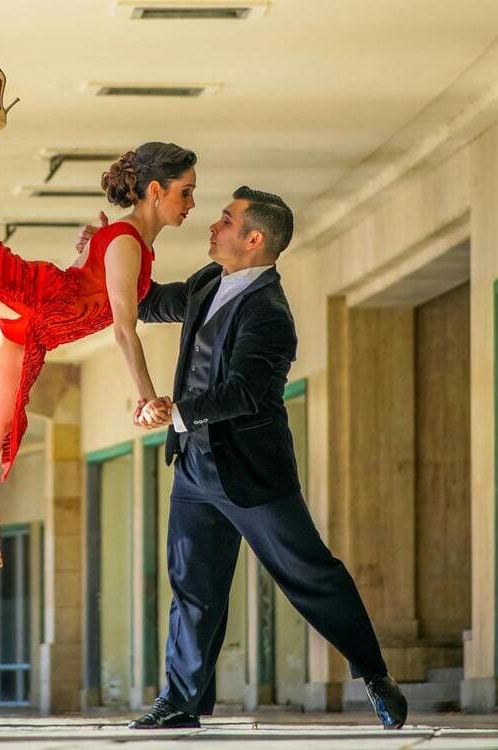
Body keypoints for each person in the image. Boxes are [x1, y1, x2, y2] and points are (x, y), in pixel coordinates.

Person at [79, 189, 408, 730]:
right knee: (193, 588)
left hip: (251, 473)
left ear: (254, 239)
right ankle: (181, 703)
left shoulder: (272, 314)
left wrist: (175, 411)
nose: (212, 224)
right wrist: (104, 257)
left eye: (226, 220)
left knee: (310, 574)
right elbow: (150, 301)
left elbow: (245, 392)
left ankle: (373, 673)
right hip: (193, 471)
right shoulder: (209, 282)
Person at [0, 53, 194, 568]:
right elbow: (126, 331)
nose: (191, 204)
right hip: (29, 299)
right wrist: (146, 397)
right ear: (156, 191)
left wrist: (86, 255)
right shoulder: (129, 241)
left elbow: (91, 291)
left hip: (34, 327)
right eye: (185, 192)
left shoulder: (129, 243)